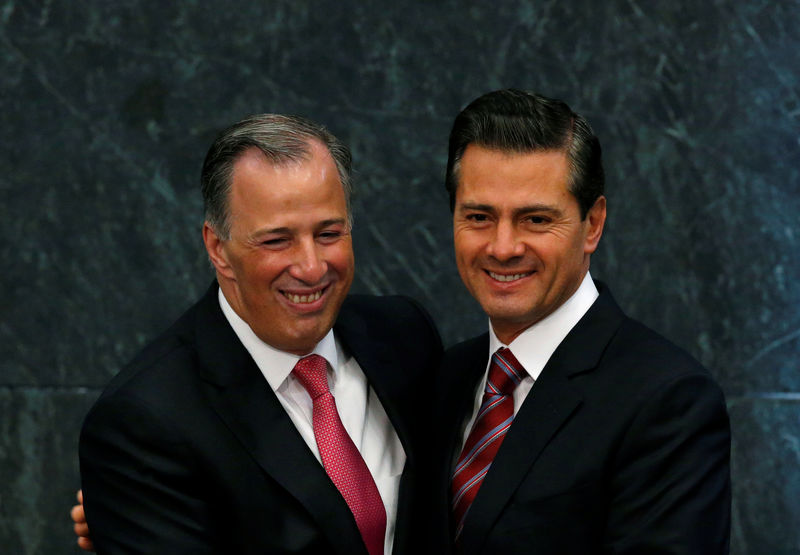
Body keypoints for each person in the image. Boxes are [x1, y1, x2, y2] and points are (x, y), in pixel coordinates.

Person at [77, 114, 442, 554]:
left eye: (329, 233)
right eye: (276, 241)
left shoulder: (403, 337)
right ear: (219, 249)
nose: (311, 267)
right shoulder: (145, 423)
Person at [427, 89, 731, 553]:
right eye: (480, 216)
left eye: (535, 219)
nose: (503, 246)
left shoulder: (667, 401)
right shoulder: (445, 378)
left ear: (592, 224)